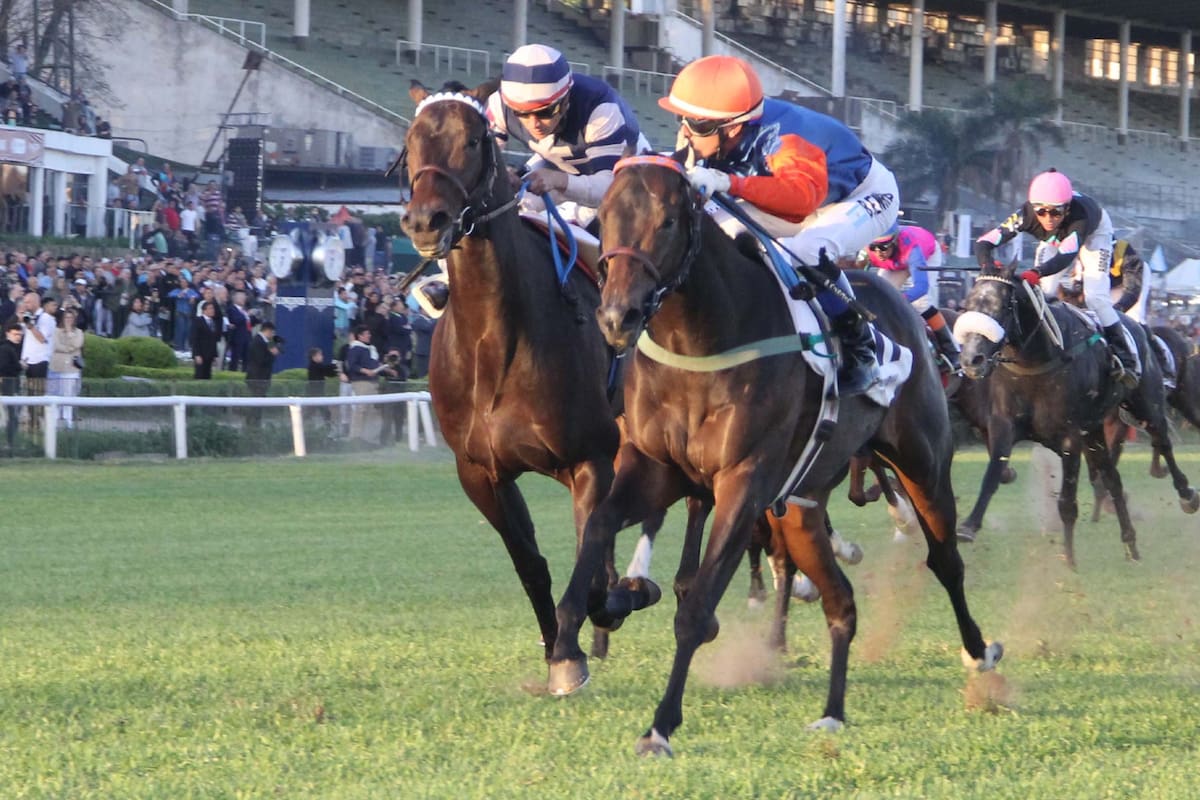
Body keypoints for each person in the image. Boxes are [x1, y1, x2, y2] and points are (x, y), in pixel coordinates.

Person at [659, 54, 900, 394]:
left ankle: (860, 345)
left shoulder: (789, 139)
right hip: (799, 194)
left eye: (697, 125)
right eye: (682, 119)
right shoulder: (718, 131)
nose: (685, 131)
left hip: (860, 195)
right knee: (713, 229)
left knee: (808, 249)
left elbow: (800, 202)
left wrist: (727, 182)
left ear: (733, 127)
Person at [975, 168, 1140, 388]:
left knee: (1096, 298)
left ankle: (1125, 355)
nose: (1048, 219)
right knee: (1045, 291)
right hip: (1055, 240)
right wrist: (987, 264)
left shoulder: (1078, 218)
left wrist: (1037, 272)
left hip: (1094, 234)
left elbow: (1066, 256)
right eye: (1041, 212)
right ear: (1033, 209)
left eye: (1055, 213)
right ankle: (1039, 347)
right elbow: (983, 243)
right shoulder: (1025, 215)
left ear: (1067, 208)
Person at [487, 44, 650, 230]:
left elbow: (609, 189)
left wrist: (558, 180)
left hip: (624, 182)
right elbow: (480, 163)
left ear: (565, 100)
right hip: (559, 163)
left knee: (593, 235)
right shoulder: (499, 105)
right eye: (521, 113)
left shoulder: (601, 110)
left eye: (546, 111)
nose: (534, 123)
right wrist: (502, 173)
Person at [867, 222, 960, 370]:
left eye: (883, 247)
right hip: (896, 262)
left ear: (894, 241)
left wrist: (900, 299)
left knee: (921, 304)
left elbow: (921, 288)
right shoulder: (868, 250)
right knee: (878, 297)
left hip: (926, 255)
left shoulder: (913, 251)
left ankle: (952, 351)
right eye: (873, 247)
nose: (878, 252)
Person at [344, 324, 395, 442]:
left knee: (371, 409)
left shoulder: (371, 349)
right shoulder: (355, 348)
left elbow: (375, 365)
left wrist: (386, 369)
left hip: (373, 382)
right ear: (360, 336)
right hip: (361, 382)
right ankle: (355, 436)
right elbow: (352, 365)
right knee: (361, 408)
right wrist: (365, 371)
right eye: (367, 334)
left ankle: (367, 436)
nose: (369, 336)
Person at [19, 291, 54, 433]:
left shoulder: (46, 318)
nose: (25, 305)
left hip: (40, 361)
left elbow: (41, 338)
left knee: (38, 394)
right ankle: (31, 423)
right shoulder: (28, 317)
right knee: (29, 394)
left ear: (35, 302)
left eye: (27, 302)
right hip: (27, 361)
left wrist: (31, 326)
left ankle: (40, 425)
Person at [47, 306, 84, 428]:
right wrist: (69, 348)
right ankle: (56, 421)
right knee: (57, 394)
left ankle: (68, 420)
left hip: (72, 368)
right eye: (66, 317)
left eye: (71, 317)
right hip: (57, 366)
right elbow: (56, 345)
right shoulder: (56, 331)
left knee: (69, 394)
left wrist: (69, 334)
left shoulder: (79, 332)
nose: (68, 319)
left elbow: (77, 344)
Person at [244, 321, 280, 427]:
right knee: (256, 402)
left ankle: (255, 423)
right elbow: (261, 360)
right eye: (272, 332)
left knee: (259, 402)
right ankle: (252, 424)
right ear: (267, 331)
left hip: (263, 377)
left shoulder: (266, 342)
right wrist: (272, 354)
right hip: (257, 377)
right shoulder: (257, 342)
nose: (272, 335)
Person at [0, 320, 23, 451]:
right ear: (8, 333)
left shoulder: (13, 348)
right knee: (12, 416)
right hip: (9, 386)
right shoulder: (5, 349)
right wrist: (20, 366)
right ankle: (10, 442)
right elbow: (3, 368)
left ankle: (11, 442)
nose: (18, 337)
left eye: (20, 334)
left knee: (14, 416)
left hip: (13, 385)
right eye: (15, 334)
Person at [306, 346, 339, 426]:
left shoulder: (318, 366)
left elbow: (327, 372)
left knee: (321, 412)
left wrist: (336, 371)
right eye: (320, 355)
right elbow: (325, 369)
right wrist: (334, 365)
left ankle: (306, 424)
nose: (322, 357)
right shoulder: (314, 366)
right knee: (324, 412)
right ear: (314, 357)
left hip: (318, 393)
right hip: (315, 394)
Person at [190, 300, 221, 379]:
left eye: (213, 308)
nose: (212, 310)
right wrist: (196, 354)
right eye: (210, 308)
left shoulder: (213, 322)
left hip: (209, 355)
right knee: (199, 375)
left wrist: (215, 355)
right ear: (204, 310)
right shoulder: (198, 321)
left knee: (208, 376)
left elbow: (214, 340)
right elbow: (194, 339)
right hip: (201, 354)